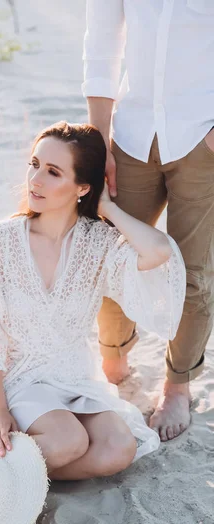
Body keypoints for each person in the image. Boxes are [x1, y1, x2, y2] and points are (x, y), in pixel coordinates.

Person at [0, 121, 186, 524]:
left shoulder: (98, 242)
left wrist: (110, 210)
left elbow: (158, 252)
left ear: (83, 187)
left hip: (74, 376)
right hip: (19, 378)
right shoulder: (2, 240)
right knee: (67, 442)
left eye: (53, 171)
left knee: (118, 449)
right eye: (34, 164)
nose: (35, 179)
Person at [82, 0, 214, 442]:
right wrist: (98, 140)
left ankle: (178, 384)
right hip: (131, 134)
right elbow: (102, 42)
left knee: (191, 273)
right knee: (113, 257)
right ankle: (114, 362)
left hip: (202, 138)